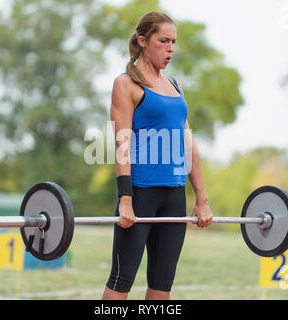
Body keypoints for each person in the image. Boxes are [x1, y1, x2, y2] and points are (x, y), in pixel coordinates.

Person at [102, 11, 213, 300]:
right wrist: (125, 199)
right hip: (140, 194)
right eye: (164, 41)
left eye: (173, 42)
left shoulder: (175, 86)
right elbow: (121, 144)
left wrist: (201, 199)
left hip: (174, 195)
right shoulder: (126, 84)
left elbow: (188, 145)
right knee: (121, 279)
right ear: (142, 41)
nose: (171, 49)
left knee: (162, 284)